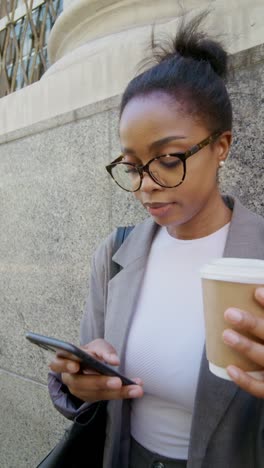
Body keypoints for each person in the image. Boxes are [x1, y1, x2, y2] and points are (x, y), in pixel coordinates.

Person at [48, 13, 264, 468]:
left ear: (221, 145)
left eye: (167, 159)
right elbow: (90, 369)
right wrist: (79, 382)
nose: (145, 184)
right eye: (131, 166)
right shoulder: (116, 252)